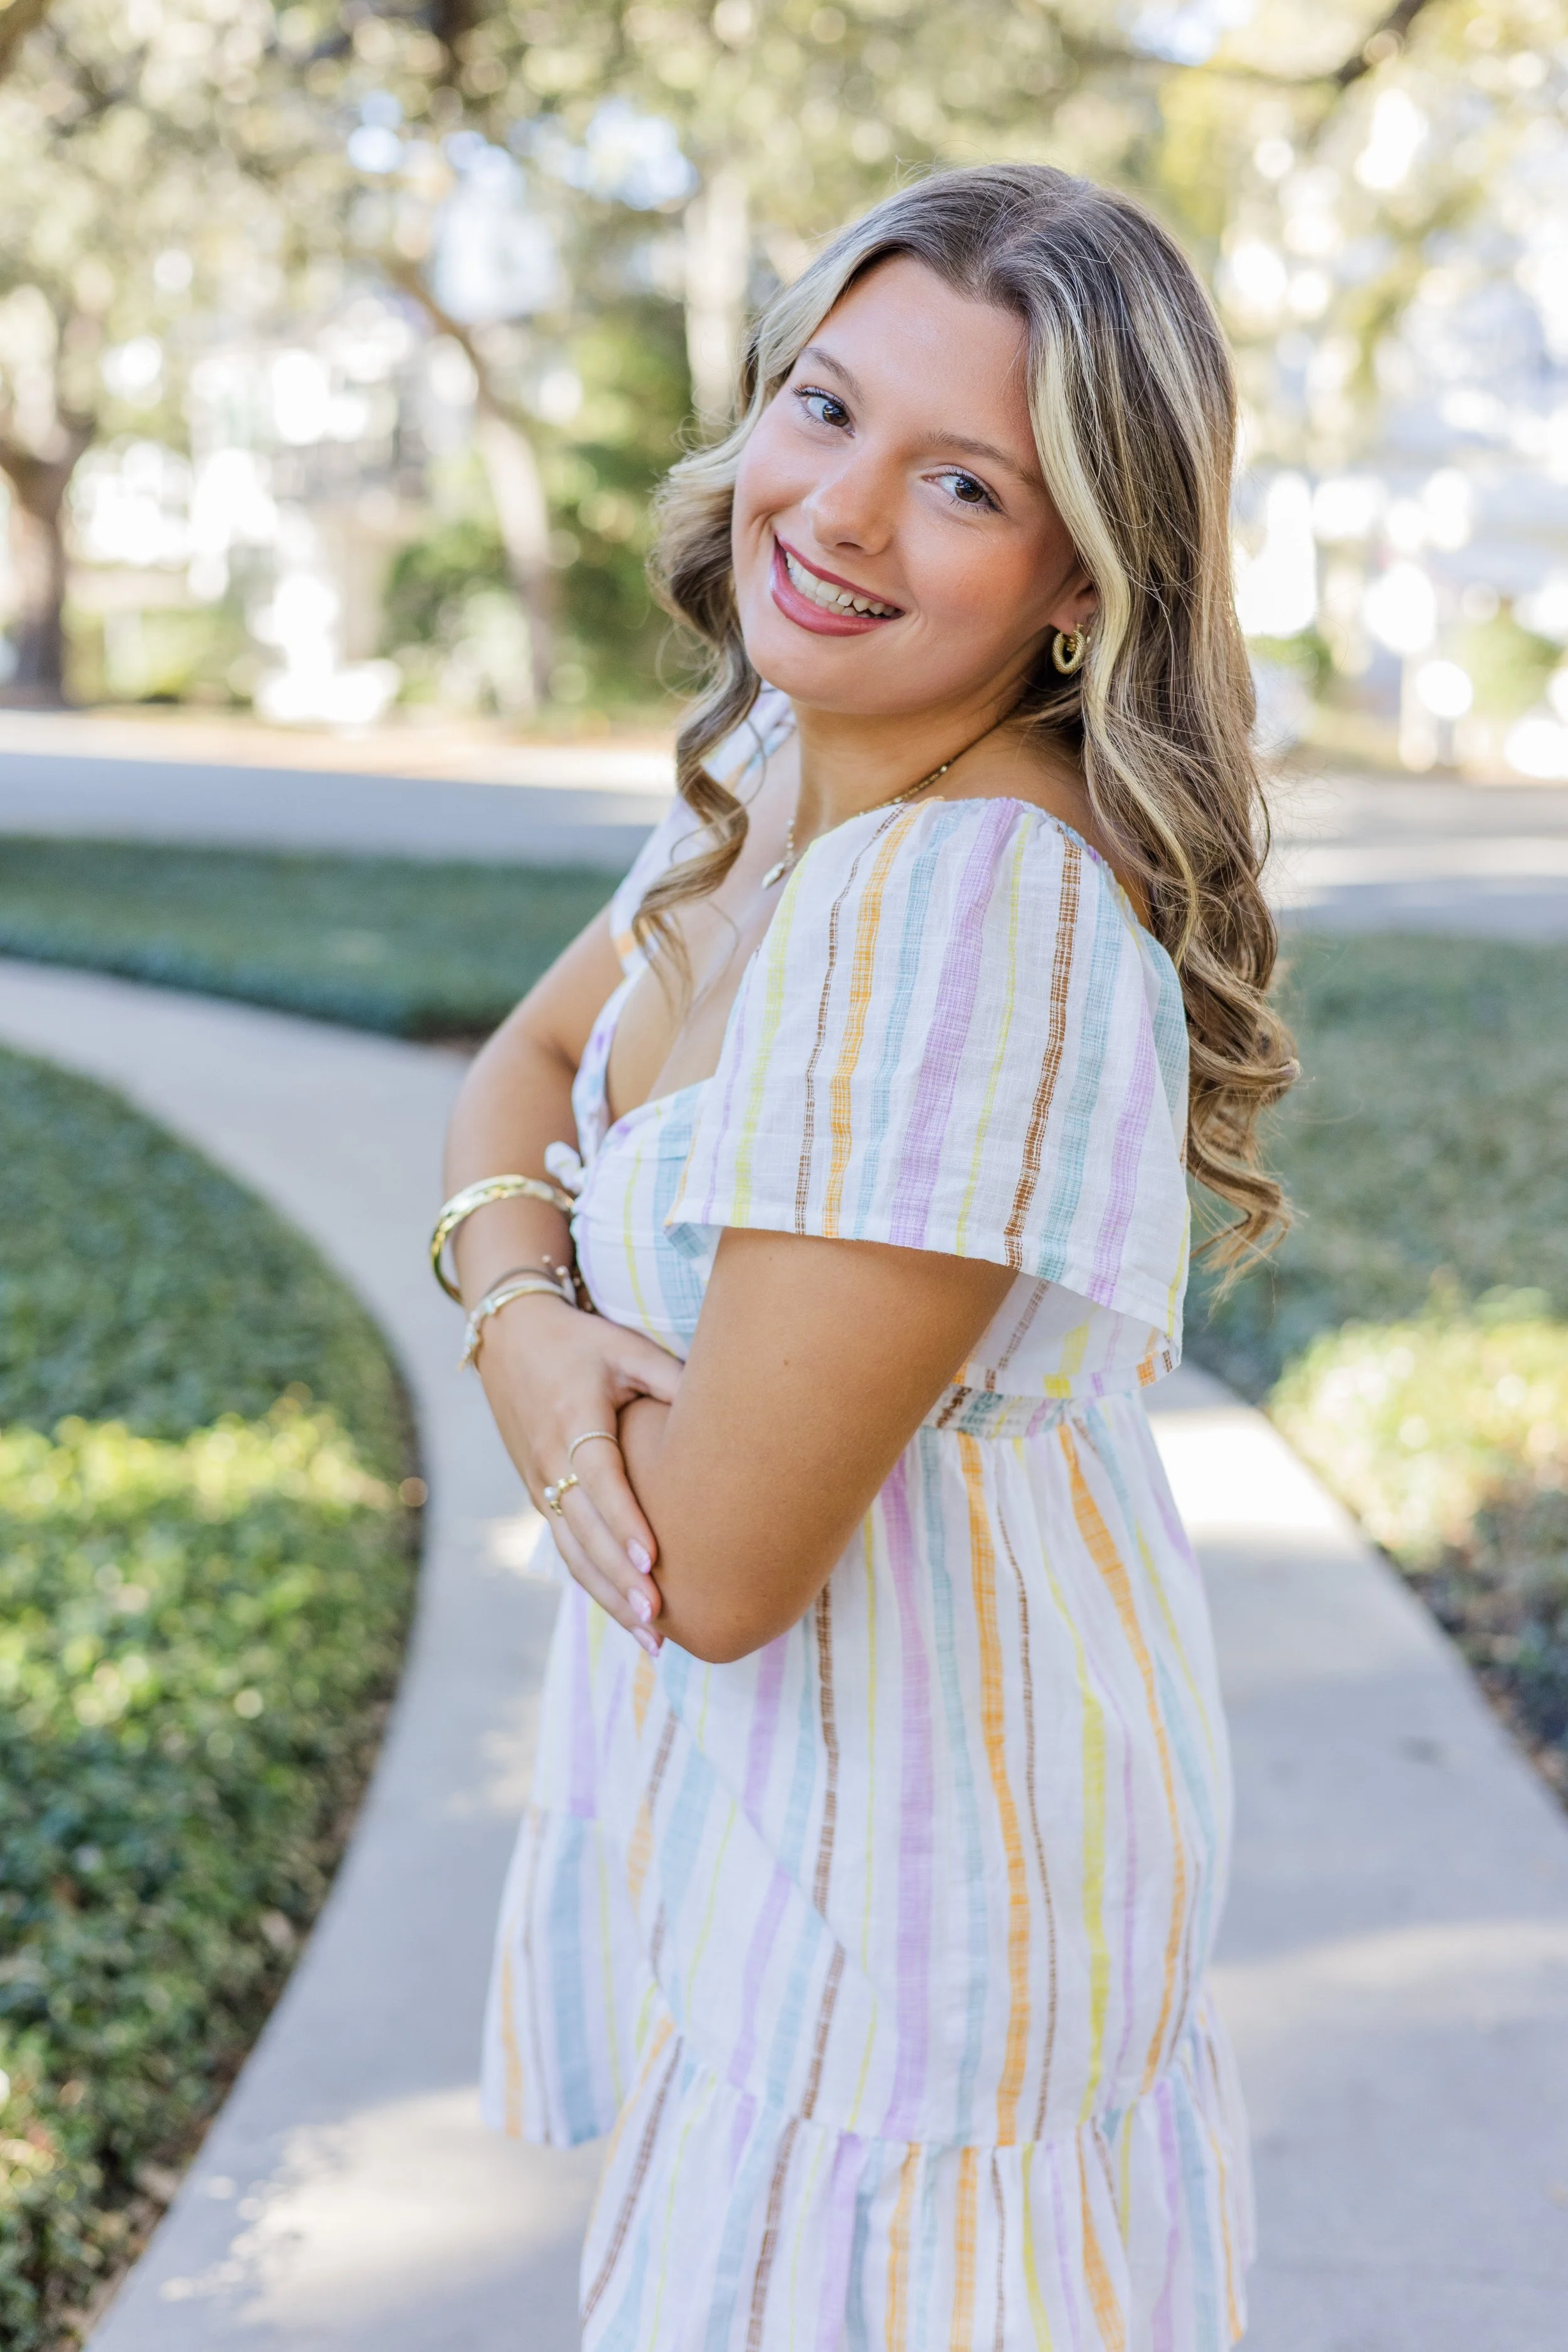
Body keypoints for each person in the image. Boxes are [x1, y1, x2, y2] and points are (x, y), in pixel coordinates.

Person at [437, 162, 1296, 2350]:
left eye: (959, 481)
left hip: (931, 1875)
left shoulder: (965, 911)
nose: (834, 516)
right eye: (822, 410)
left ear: (1083, 579)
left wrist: (520, 1333)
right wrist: (530, 1314)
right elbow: (520, 1066)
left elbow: (712, 1569)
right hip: (791, 1818)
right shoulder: (776, 750)